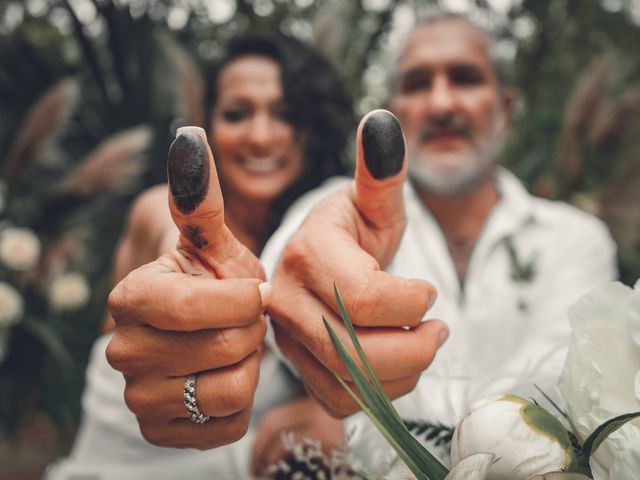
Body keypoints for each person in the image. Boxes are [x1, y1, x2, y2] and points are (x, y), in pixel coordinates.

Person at [100, 10, 616, 477]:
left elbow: (568, 389)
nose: (441, 102)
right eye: (418, 84)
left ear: (504, 107)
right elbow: (293, 260)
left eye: (465, 78)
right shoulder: (337, 205)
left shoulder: (577, 239)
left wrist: (355, 430)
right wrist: (281, 311)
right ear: (392, 109)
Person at [44, 32, 353, 479]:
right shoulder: (159, 212)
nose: (261, 136)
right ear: (204, 123)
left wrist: (338, 417)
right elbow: (167, 236)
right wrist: (191, 265)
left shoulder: (315, 240)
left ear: (313, 132)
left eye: (285, 115)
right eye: (236, 114)